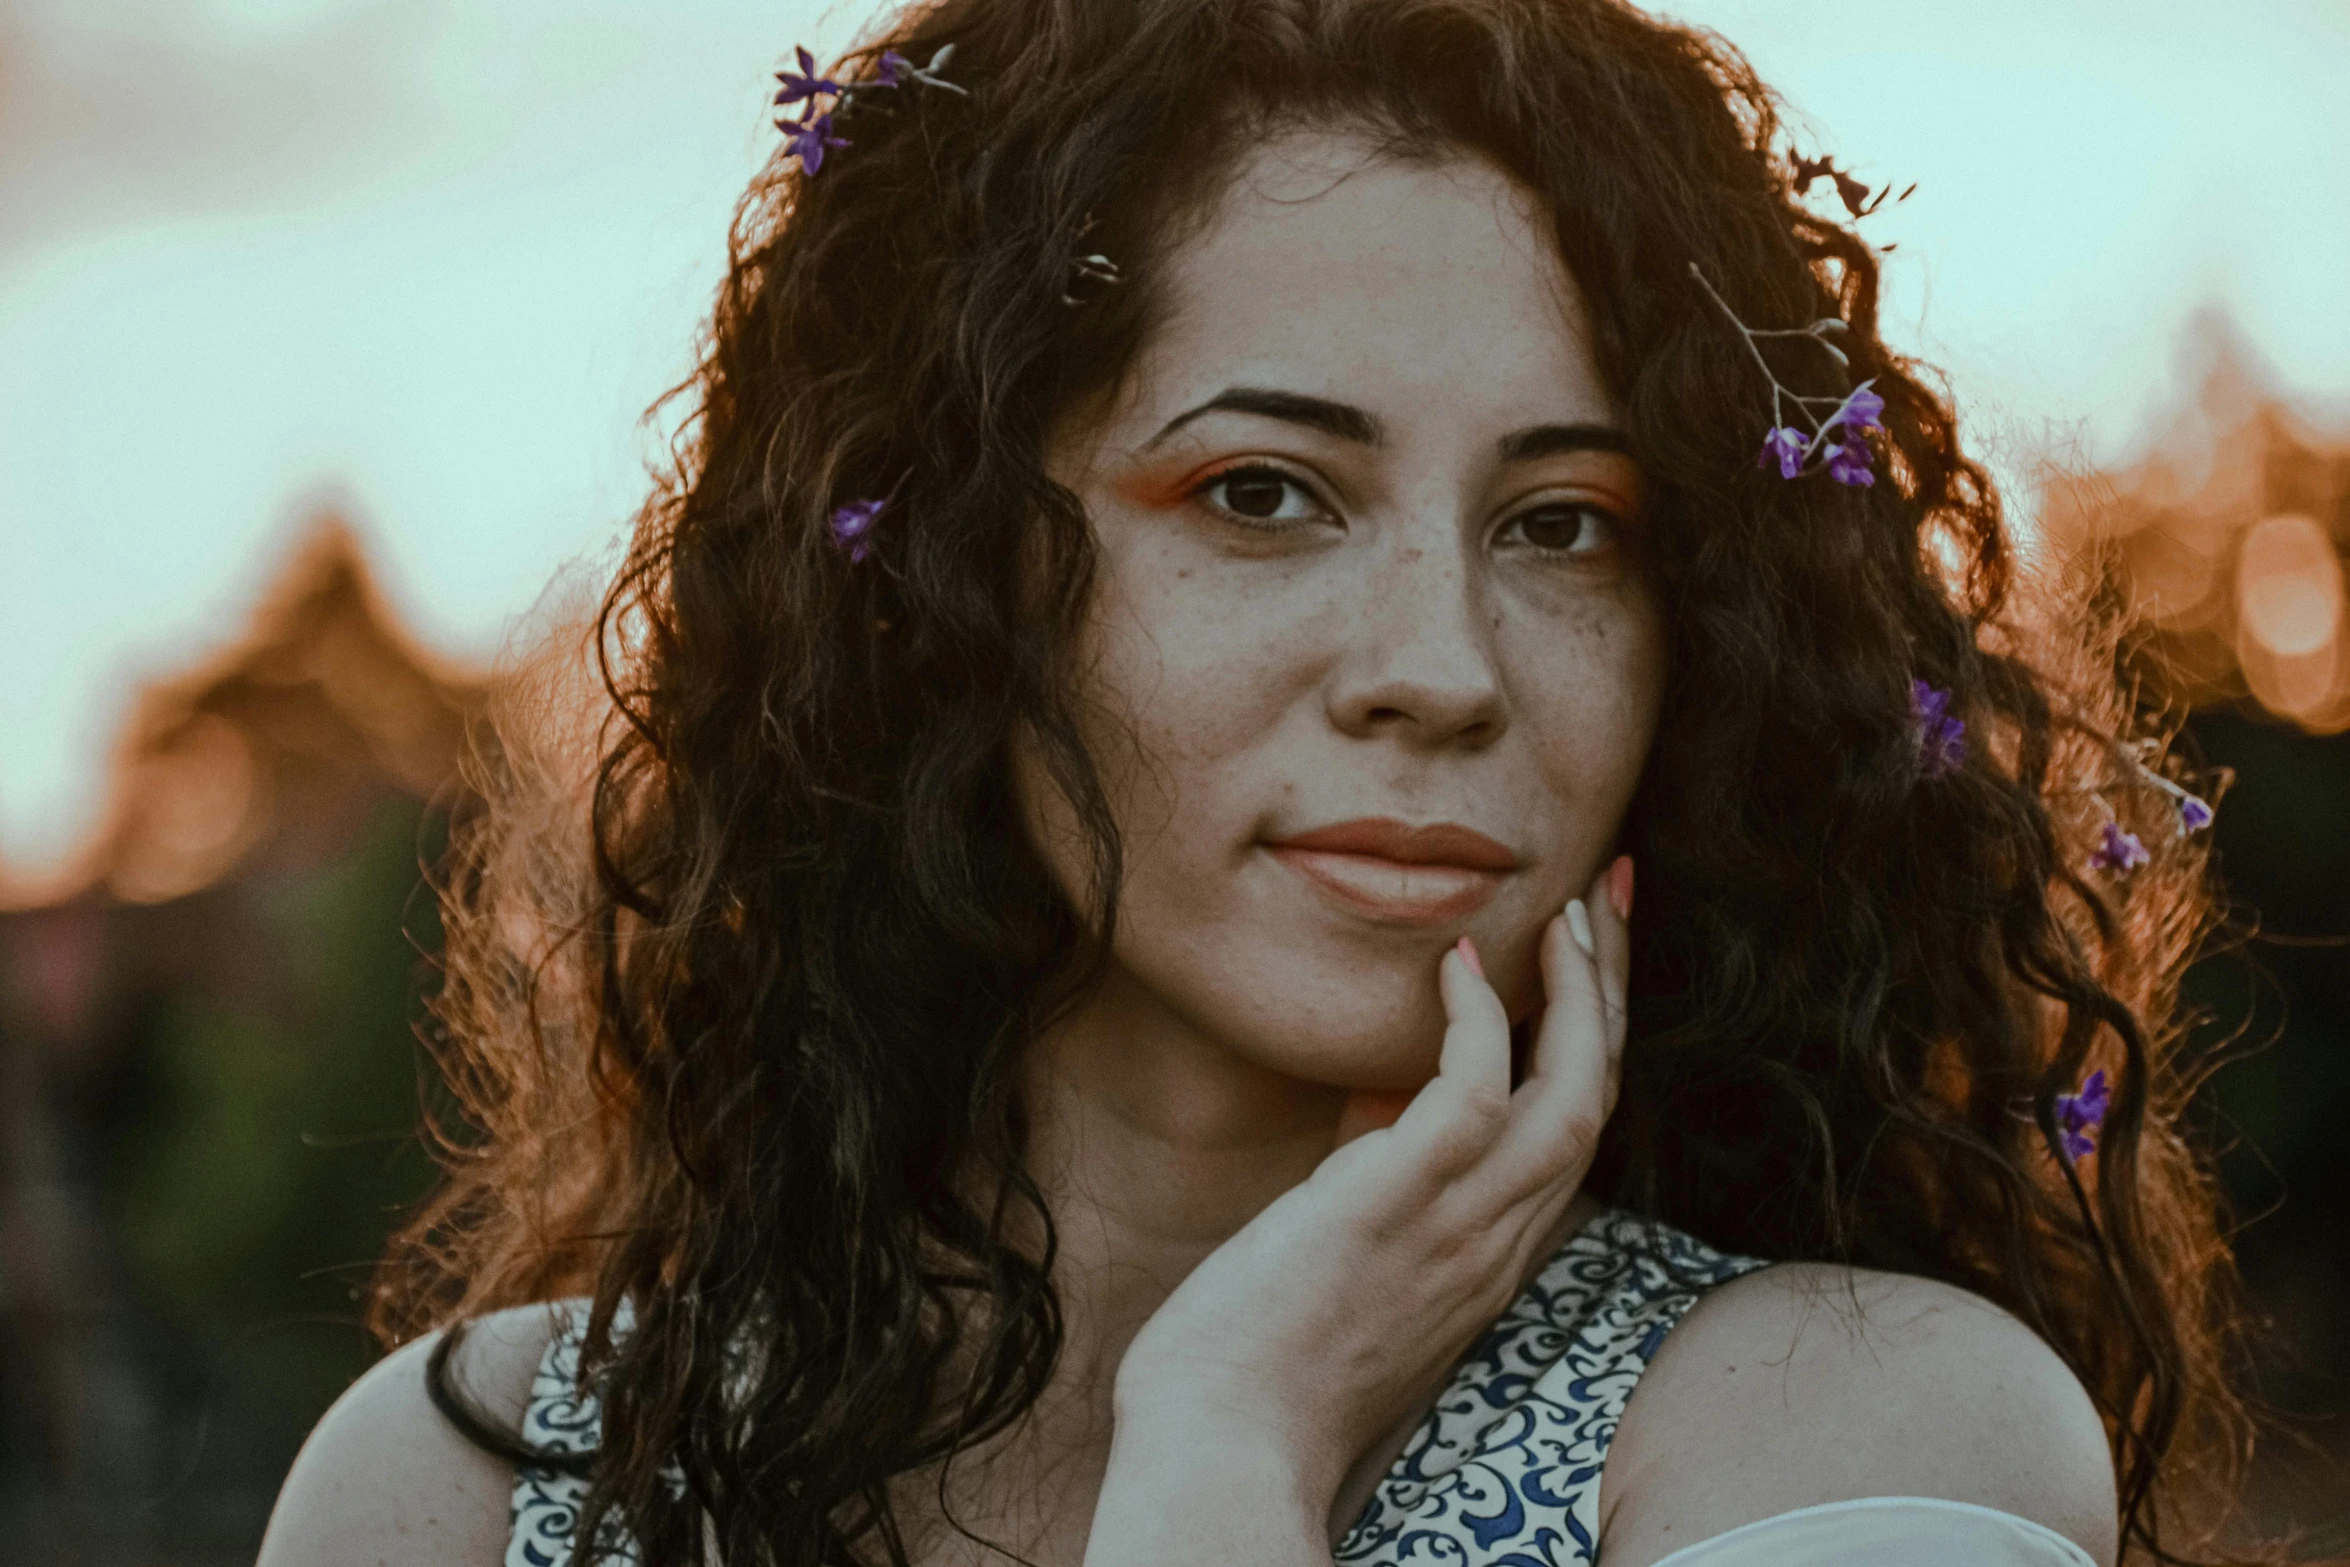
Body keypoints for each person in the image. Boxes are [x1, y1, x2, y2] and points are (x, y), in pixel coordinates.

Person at [257, 0, 2276, 1563]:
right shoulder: (467, 1493)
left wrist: (1227, 1447)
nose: (1436, 671)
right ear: (949, 580)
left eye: (1565, 525)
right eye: (1259, 493)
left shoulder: (1852, 1434)